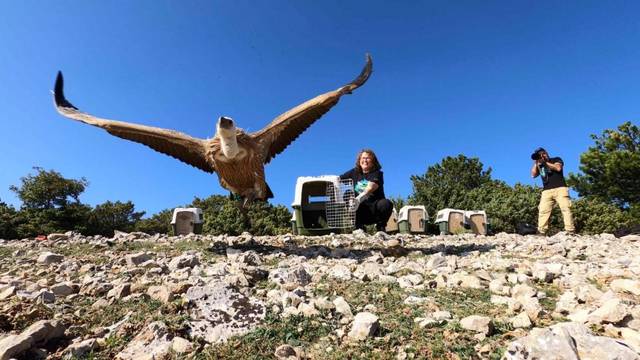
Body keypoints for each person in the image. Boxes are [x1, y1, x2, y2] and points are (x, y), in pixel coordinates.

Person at [340, 149, 393, 231]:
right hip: (360, 210)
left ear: (373, 161)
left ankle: (380, 226)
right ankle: (358, 226)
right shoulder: (354, 172)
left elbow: (372, 186)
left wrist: (358, 199)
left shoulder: (377, 173)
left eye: (368, 158)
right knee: (347, 193)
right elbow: (339, 179)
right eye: (363, 158)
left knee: (386, 203)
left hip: (374, 210)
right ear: (359, 160)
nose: (365, 160)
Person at [530, 147, 575, 235]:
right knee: (543, 211)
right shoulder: (539, 164)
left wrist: (545, 163)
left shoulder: (556, 159)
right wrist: (536, 163)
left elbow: (558, 168)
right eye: (539, 154)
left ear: (546, 153)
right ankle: (541, 231)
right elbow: (533, 175)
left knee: (566, 209)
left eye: (543, 153)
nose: (542, 155)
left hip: (560, 188)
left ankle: (570, 230)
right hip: (546, 191)